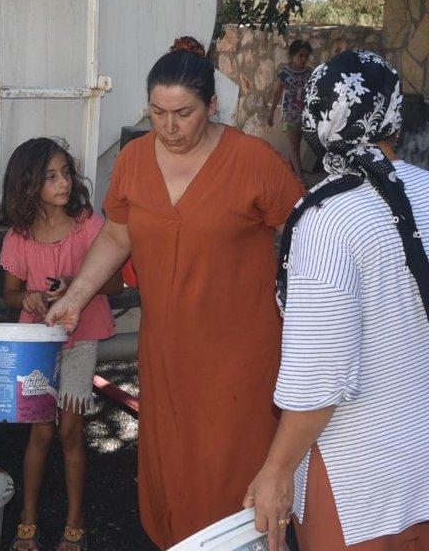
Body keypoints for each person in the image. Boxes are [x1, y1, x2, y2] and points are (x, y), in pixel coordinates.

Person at [45, 37, 306, 549]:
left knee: (233, 475)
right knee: (174, 475)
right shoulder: (135, 159)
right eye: (158, 113)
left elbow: (310, 239)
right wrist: (75, 297)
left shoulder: (253, 162)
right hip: (166, 352)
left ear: (212, 106)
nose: (168, 127)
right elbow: (118, 233)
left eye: (183, 113)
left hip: (241, 356)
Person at [243, 50, 429, 551]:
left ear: (317, 119)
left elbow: (321, 377)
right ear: (394, 114)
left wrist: (277, 470)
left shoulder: (326, 220)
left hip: (367, 459)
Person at [0, 137, 122, 551]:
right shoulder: (18, 236)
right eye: (51, 176)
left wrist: (76, 286)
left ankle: (75, 519)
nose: (64, 182)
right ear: (28, 184)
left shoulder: (88, 224)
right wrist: (29, 298)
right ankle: (28, 517)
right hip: (38, 342)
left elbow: (117, 283)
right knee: (40, 433)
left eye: (66, 172)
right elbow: (10, 294)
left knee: (70, 431)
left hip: (81, 337)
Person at [267, 39, 314, 174]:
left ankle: (288, 172)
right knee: (294, 147)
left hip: (304, 115)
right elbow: (277, 94)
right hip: (289, 115)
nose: (304, 59)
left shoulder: (309, 73)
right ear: (292, 56)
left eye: (306, 56)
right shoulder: (285, 72)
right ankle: (300, 179)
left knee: (296, 145)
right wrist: (271, 114)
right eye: (300, 55)